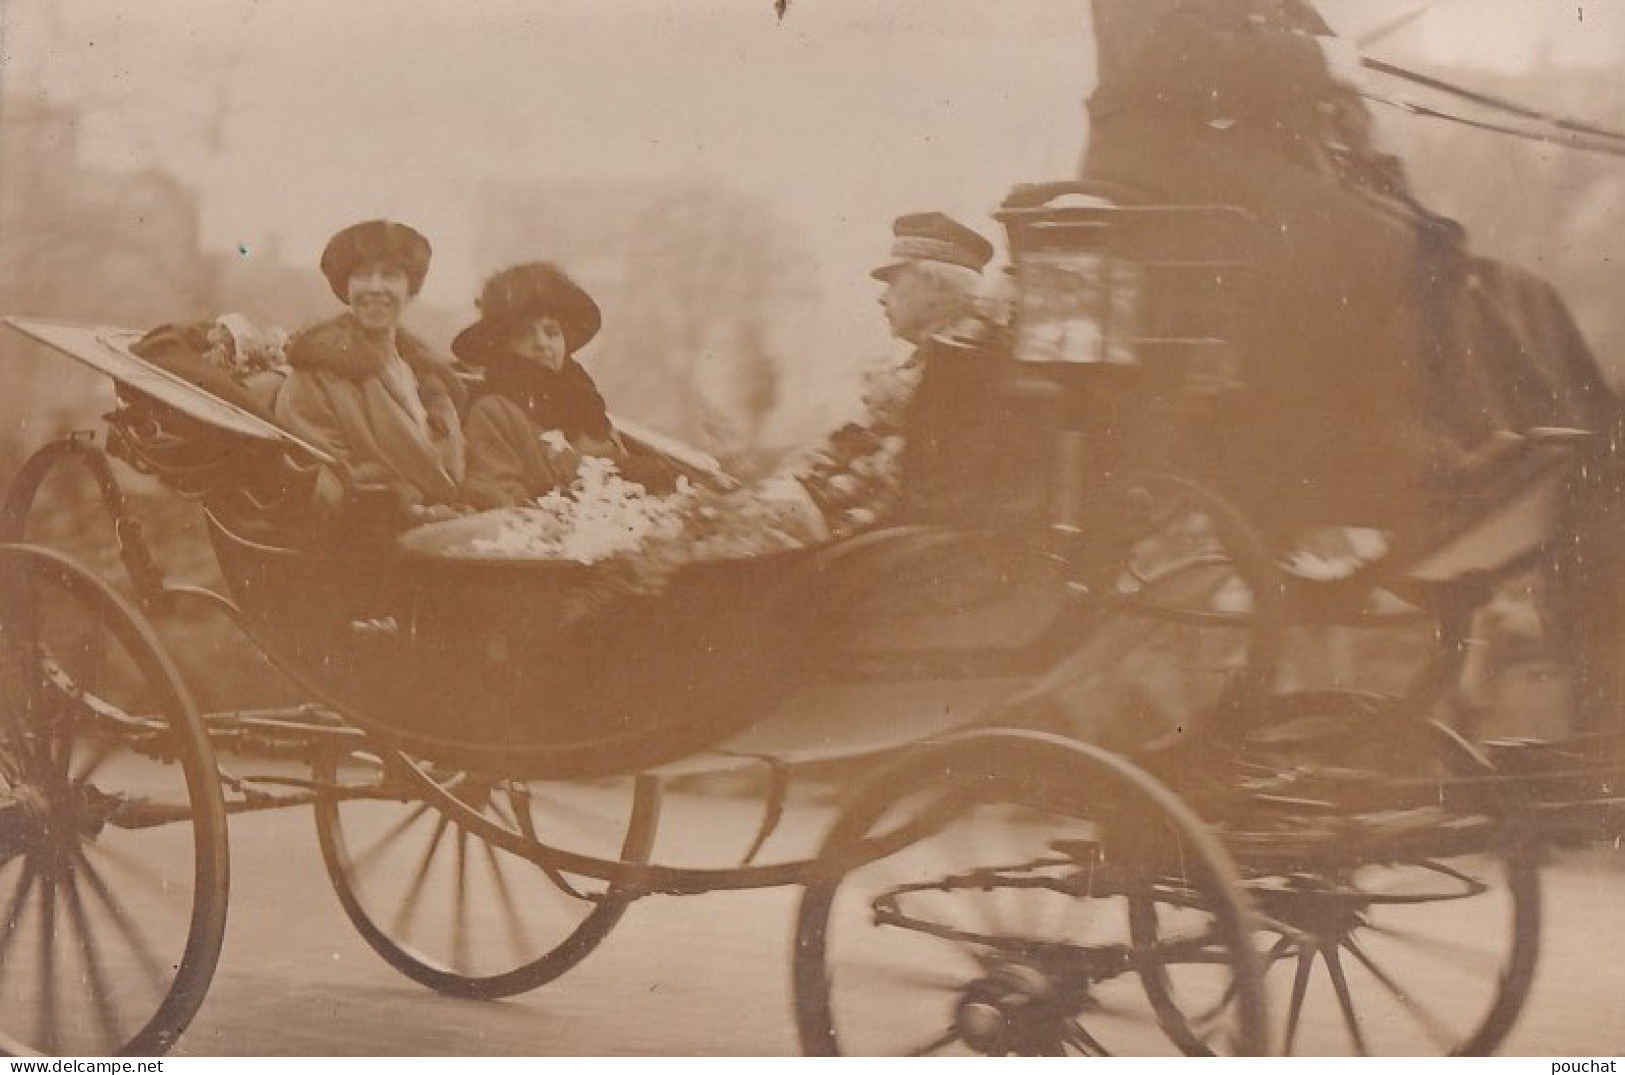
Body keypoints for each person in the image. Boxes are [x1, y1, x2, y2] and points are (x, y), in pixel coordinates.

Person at [1081, 0, 1625, 731]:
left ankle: (1539, 452)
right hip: (1170, 171)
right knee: (1391, 252)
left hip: (1236, 165)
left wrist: (1318, 68)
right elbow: (1165, 54)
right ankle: (1389, 486)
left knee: (1501, 281)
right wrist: (1311, 62)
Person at [794, 211, 1039, 535]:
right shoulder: (939, 362)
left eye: (893, 281)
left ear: (932, 283)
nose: (882, 298)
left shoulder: (963, 369)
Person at [274, 219, 467, 526]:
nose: (375, 288)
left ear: (409, 288)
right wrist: (411, 506)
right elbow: (326, 479)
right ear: (346, 288)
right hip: (370, 537)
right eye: (362, 276)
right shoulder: (316, 374)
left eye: (390, 275)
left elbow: (449, 472)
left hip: (437, 526)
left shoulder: (421, 374)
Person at [453, 261, 660, 509]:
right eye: (524, 333)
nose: (542, 343)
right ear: (502, 345)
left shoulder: (588, 407)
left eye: (551, 332)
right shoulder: (494, 413)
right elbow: (497, 501)